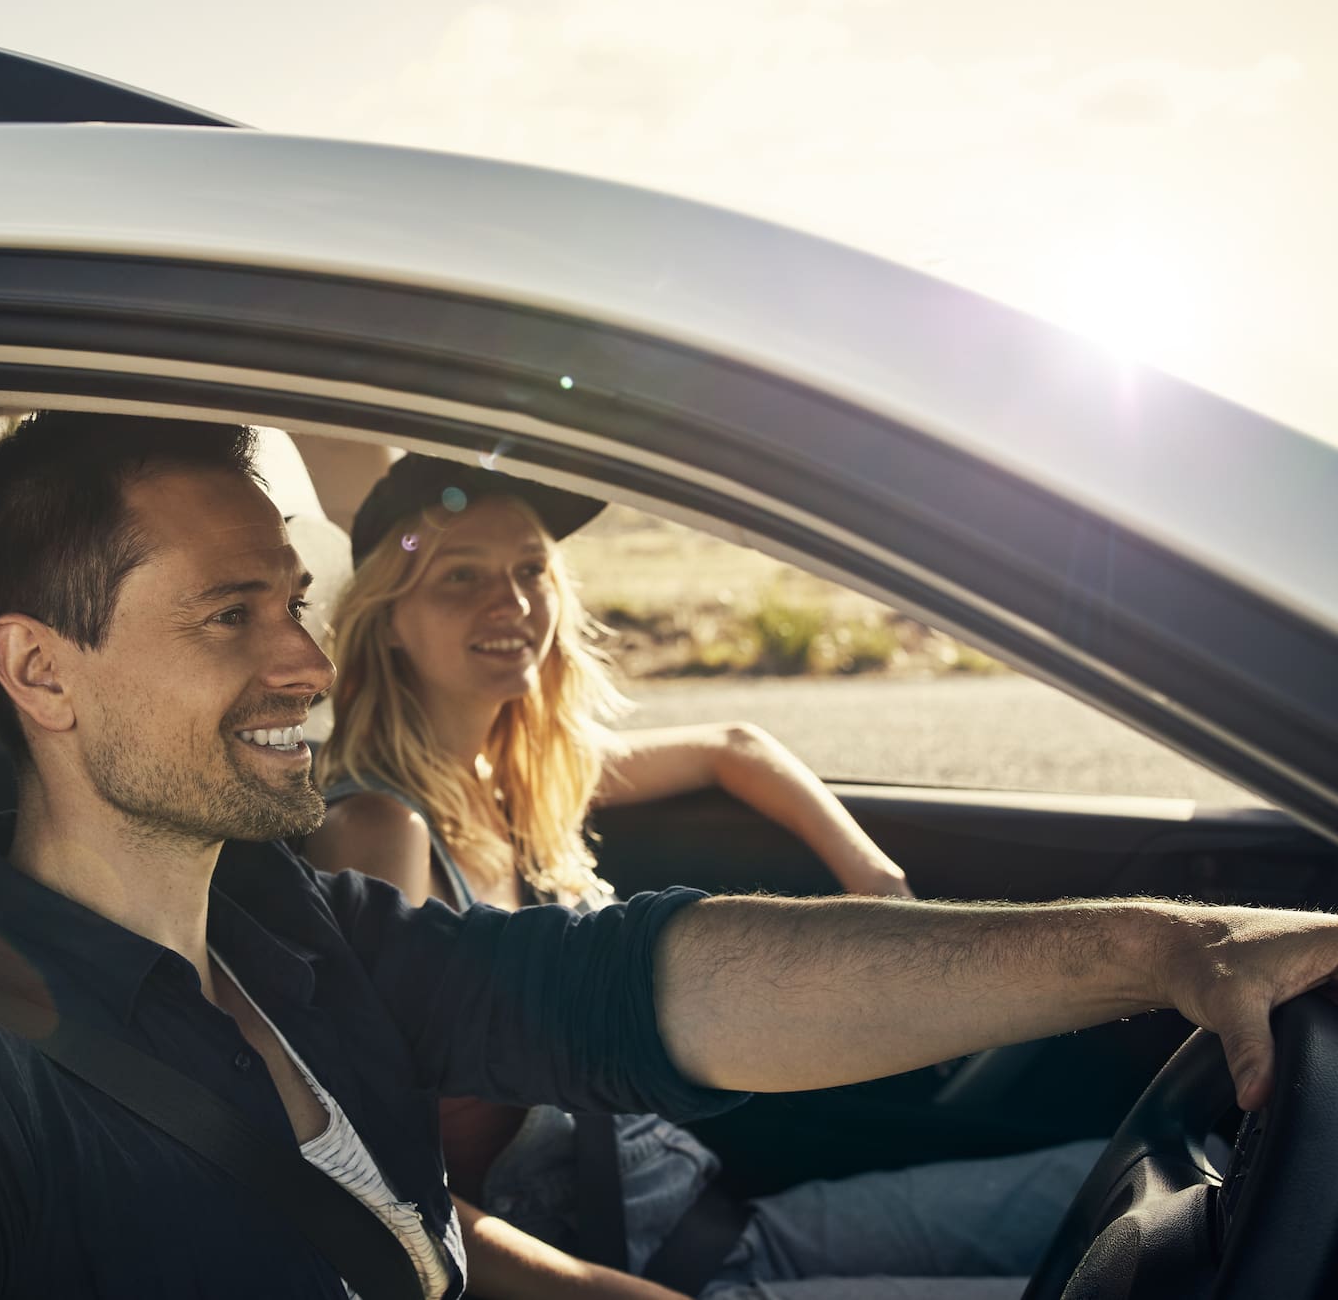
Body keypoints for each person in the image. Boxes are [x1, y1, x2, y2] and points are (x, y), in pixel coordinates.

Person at [0, 413, 1338, 1300]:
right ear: (38, 669)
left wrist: (1164, 948)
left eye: (294, 600)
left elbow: (633, 988)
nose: (304, 657)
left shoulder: (290, 923)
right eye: (232, 615)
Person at [307, 456, 1101, 1298]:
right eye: (459, 575)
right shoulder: (379, 831)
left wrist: (877, 881)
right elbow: (376, 1184)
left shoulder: (525, 779)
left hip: (724, 1227)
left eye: (530, 569)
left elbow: (735, 746)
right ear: (387, 619)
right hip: (623, 1280)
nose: (510, 602)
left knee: (1126, 1189)